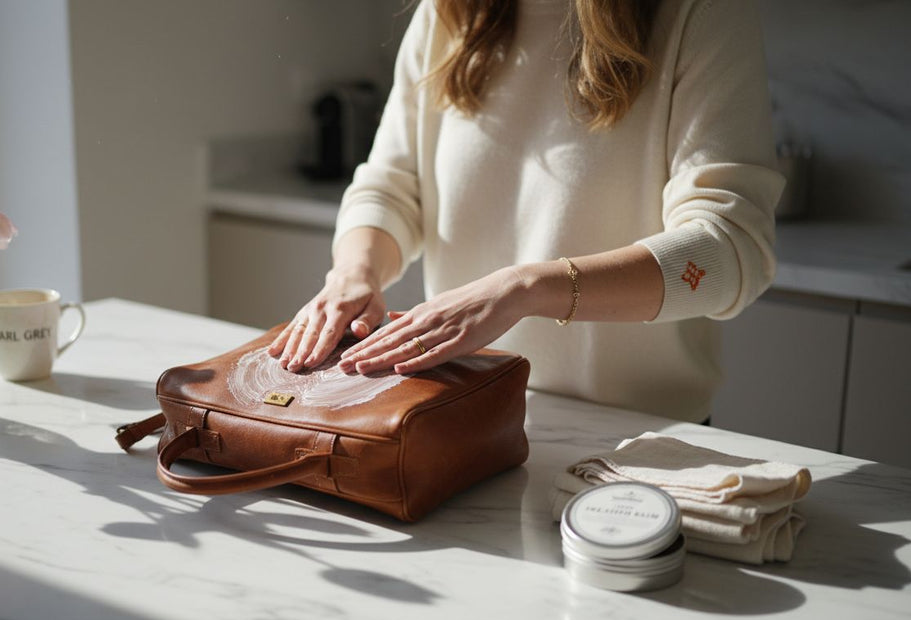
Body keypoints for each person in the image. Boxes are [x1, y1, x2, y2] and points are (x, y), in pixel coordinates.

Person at [268, 0, 783, 423]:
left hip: (640, 438)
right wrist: (354, 272)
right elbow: (393, 184)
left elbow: (729, 248)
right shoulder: (446, 13)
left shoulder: (700, 13)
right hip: (463, 417)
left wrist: (526, 289)